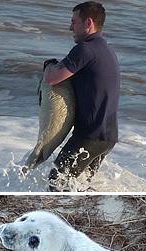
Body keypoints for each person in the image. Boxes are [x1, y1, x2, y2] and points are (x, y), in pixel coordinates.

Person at [43, 1, 120, 191]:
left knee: (56, 185)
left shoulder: (85, 49)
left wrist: (48, 65)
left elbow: (53, 78)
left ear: (88, 23)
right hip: (107, 137)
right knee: (78, 186)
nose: (70, 27)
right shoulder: (106, 49)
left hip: (89, 136)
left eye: (74, 22)